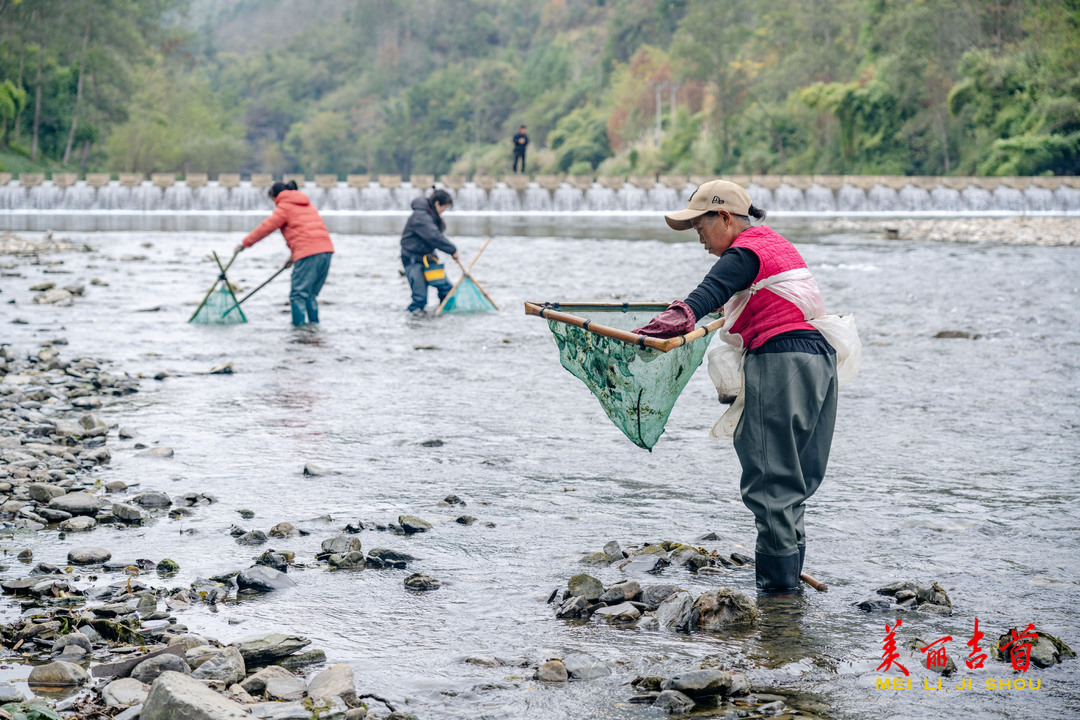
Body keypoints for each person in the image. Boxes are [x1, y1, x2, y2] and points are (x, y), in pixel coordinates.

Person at [633, 179, 839, 596]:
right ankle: (788, 603)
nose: (700, 240)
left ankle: (777, 598)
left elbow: (712, 289)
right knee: (793, 484)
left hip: (781, 362)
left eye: (700, 228)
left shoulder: (747, 249)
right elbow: (732, 292)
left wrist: (679, 315)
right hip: (819, 362)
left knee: (769, 483)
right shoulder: (776, 246)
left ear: (725, 217)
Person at [234, 180, 334, 327]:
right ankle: (314, 328)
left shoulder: (285, 207)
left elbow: (265, 228)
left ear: (275, 196)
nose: (274, 204)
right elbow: (307, 233)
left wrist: (244, 244)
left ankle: (298, 330)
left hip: (308, 253)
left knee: (297, 296)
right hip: (326, 251)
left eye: (272, 200)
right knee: (310, 295)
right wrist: (293, 256)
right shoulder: (307, 205)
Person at [400, 188, 459, 314]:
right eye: (444, 207)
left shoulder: (431, 215)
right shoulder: (421, 217)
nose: (444, 211)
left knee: (447, 290)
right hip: (413, 259)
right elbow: (434, 236)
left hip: (428, 258)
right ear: (437, 204)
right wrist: (452, 250)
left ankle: (443, 316)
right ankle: (414, 325)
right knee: (420, 299)